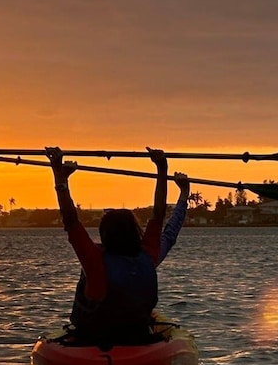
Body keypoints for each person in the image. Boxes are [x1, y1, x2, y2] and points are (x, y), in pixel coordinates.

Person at [46, 146, 167, 347]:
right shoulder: (148, 253)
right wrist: (162, 169)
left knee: (86, 276)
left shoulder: (94, 261)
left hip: (94, 338)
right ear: (135, 231)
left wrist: (60, 178)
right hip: (137, 337)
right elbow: (159, 214)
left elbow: (70, 220)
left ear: (105, 234)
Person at [159, 172, 190, 264]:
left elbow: (157, 215)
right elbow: (170, 232)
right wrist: (184, 192)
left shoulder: (114, 263)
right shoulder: (147, 258)